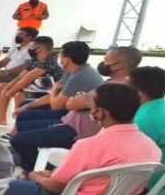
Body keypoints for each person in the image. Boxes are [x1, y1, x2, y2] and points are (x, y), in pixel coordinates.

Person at [0, 84, 161, 195]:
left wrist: (35, 176)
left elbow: (56, 186)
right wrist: (50, 176)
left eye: (91, 108)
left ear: (103, 112)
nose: (91, 113)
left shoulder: (90, 145)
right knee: (36, 180)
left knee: (0, 181)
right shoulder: (151, 147)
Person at [10, 46, 140, 172]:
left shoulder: (114, 88)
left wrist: (77, 99)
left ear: (119, 66)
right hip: (70, 122)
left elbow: (71, 104)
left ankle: (42, 171)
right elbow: (73, 101)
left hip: (76, 132)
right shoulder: (118, 83)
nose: (103, 64)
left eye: (106, 61)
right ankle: (30, 163)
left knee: (19, 139)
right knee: (25, 123)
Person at [7, 42, 106, 171]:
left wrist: (54, 90)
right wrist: (27, 106)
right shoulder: (73, 70)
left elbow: (55, 104)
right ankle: (22, 153)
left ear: (66, 59)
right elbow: (58, 95)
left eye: (61, 54)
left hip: (73, 124)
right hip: (70, 113)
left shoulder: (80, 76)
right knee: (25, 107)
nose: (59, 57)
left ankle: (38, 167)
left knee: (23, 127)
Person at [129, 66, 165, 195]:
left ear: (139, 93)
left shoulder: (147, 119)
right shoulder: (156, 107)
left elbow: (123, 155)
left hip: (150, 186)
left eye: (126, 87)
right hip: (157, 178)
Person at [0, 36, 63, 127]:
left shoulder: (50, 61)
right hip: (36, 87)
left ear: (40, 48)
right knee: (2, 86)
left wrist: (10, 92)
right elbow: (20, 77)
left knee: (20, 94)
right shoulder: (35, 59)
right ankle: (1, 119)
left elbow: (27, 79)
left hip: (49, 91)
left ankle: (17, 127)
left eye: (32, 46)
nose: (30, 49)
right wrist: (7, 88)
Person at [0, 27, 38, 100]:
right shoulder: (15, 47)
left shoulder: (31, 48)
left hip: (16, 75)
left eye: (21, 34)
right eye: (18, 33)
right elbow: (5, 61)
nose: (18, 35)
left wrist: (7, 72)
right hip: (5, 72)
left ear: (29, 37)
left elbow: (26, 65)